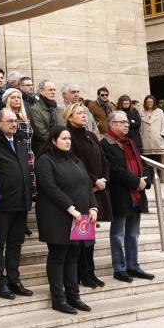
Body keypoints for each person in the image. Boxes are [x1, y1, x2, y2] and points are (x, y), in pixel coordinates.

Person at [34, 126, 98, 314]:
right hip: (57, 216)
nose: (68, 141)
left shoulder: (75, 159)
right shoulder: (45, 160)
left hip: (79, 217)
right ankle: (58, 298)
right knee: (58, 257)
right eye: (64, 138)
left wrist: (93, 207)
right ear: (53, 140)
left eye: (69, 138)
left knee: (73, 257)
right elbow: (50, 188)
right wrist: (71, 208)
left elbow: (87, 184)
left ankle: (73, 296)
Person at [0, 109, 34, 300]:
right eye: (9, 121)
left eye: (16, 120)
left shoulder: (20, 142)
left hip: (21, 201)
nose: (14, 124)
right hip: (1, 204)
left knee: (16, 243)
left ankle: (14, 279)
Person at [102, 111, 155, 283]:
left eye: (127, 122)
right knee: (118, 234)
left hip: (136, 196)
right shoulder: (105, 144)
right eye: (122, 122)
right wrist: (136, 182)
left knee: (133, 233)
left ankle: (133, 266)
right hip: (120, 195)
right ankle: (119, 268)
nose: (127, 125)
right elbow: (115, 170)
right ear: (112, 124)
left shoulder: (130, 142)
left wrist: (144, 181)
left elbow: (145, 164)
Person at [63, 102, 112, 289]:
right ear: (69, 117)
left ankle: (90, 271)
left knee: (90, 236)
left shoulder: (91, 135)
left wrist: (103, 180)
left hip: (97, 190)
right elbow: (76, 163)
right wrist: (94, 181)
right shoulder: (69, 137)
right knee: (81, 237)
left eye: (84, 113)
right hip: (81, 191)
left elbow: (104, 159)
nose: (84, 115)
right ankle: (82, 273)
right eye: (79, 113)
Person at [29, 80, 60, 155]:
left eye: (54, 90)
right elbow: (41, 133)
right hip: (44, 150)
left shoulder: (59, 109)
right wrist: (57, 142)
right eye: (50, 90)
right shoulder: (35, 109)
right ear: (42, 91)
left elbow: (63, 127)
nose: (53, 92)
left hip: (59, 148)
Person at [140, 95, 164, 162]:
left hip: (157, 139)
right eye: (148, 102)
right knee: (147, 161)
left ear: (154, 102)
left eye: (151, 102)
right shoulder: (141, 112)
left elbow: (163, 123)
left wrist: (162, 134)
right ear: (145, 103)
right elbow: (139, 126)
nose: (149, 103)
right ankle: (150, 173)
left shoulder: (160, 111)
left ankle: (158, 173)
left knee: (158, 160)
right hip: (145, 140)